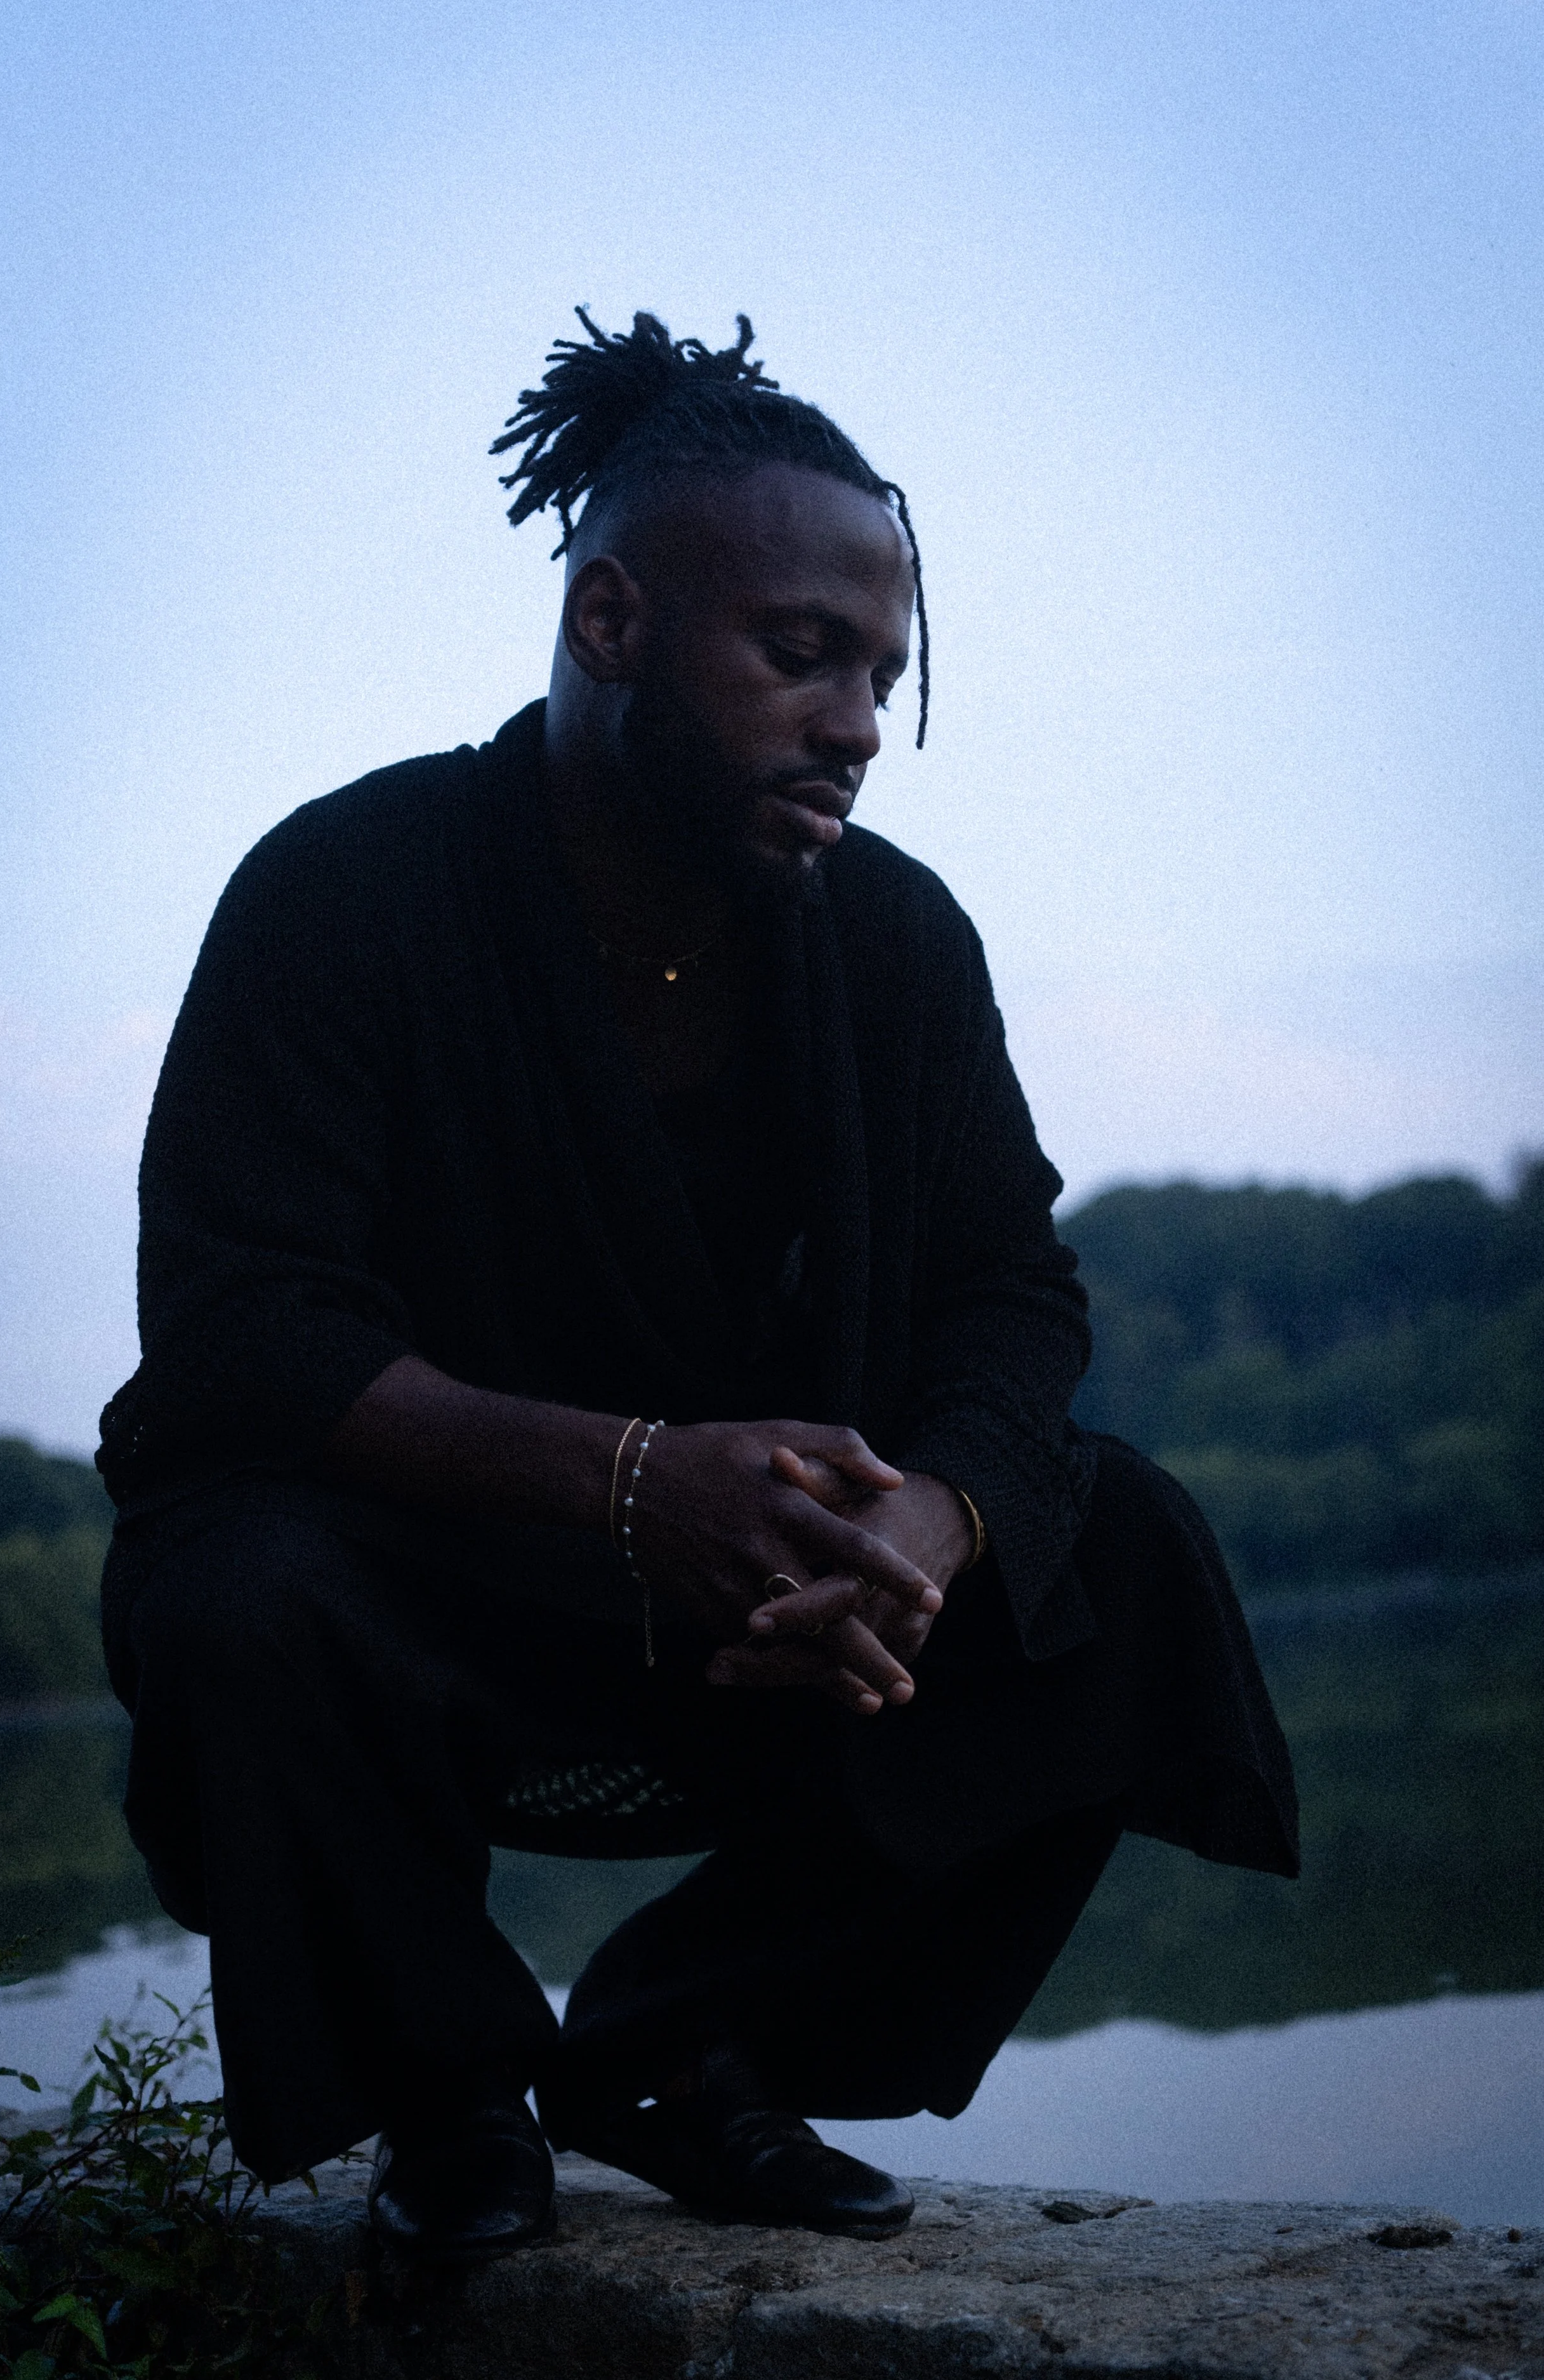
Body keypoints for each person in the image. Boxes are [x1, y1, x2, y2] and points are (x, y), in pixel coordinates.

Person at [97, 309, 1297, 2264]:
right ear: (612, 624)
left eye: (884, 674)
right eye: (801, 653)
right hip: (436, 1617)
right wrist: (638, 1482)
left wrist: (926, 1513)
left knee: (1125, 1549)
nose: (855, 721)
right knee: (240, 1588)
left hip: (776, 1643)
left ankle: (681, 2049)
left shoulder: (897, 941)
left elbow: (1013, 1297)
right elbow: (242, 1331)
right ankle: (449, 2096)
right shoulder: (342, 890)